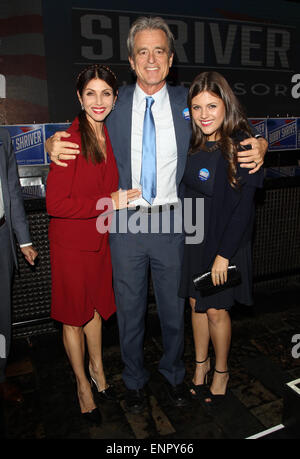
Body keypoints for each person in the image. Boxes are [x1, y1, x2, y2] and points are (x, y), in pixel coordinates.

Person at [45, 17, 268, 414]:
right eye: (143, 52)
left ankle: (174, 376)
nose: (151, 59)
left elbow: (229, 123)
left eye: (159, 51)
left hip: (175, 221)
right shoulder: (114, 103)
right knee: (128, 312)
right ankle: (133, 380)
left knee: (174, 311)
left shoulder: (189, 101)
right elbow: (81, 126)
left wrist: (261, 143)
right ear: (132, 60)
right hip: (126, 221)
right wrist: (52, 141)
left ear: (170, 59)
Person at [45, 64, 141, 423]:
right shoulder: (68, 141)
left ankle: (99, 372)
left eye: (105, 94)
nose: (98, 101)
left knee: (96, 311)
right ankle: (83, 386)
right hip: (71, 245)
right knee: (74, 318)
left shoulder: (110, 134)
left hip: (100, 240)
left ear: (115, 99)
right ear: (79, 98)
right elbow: (56, 206)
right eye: (90, 93)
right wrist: (109, 203)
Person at [179, 71, 264, 406]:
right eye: (197, 107)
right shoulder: (193, 140)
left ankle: (222, 371)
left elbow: (245, 210)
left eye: (212, 106)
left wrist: (223, 255)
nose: (204, 114)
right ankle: (200, 365)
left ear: (225, 105)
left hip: (225, 243)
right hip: (195, 237)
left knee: (215, 311)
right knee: (195, 305)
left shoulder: (244, 144)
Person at [0, 127, 38, 404]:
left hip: (1, 236)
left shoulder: (2, 137)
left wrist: (23, 240)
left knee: (2, 317)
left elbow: (12, 190)